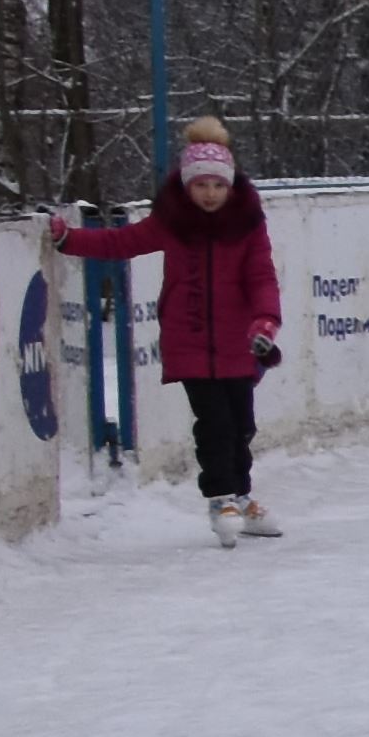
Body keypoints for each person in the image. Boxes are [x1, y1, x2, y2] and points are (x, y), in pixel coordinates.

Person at [52, 120, 287, 539]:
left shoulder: (248, 226)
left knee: (241, 425)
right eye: (201, 185)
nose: (210, 193)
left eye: (218, 185)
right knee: (213, 423)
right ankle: (220, 499)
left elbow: (262, 277)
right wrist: (69, 240)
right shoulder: (173, 222)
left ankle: (241, 498)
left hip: (239, 344)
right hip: (190, 341)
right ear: (186, 187)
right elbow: (120, 243)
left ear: (231, 187)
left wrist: (265, 320)